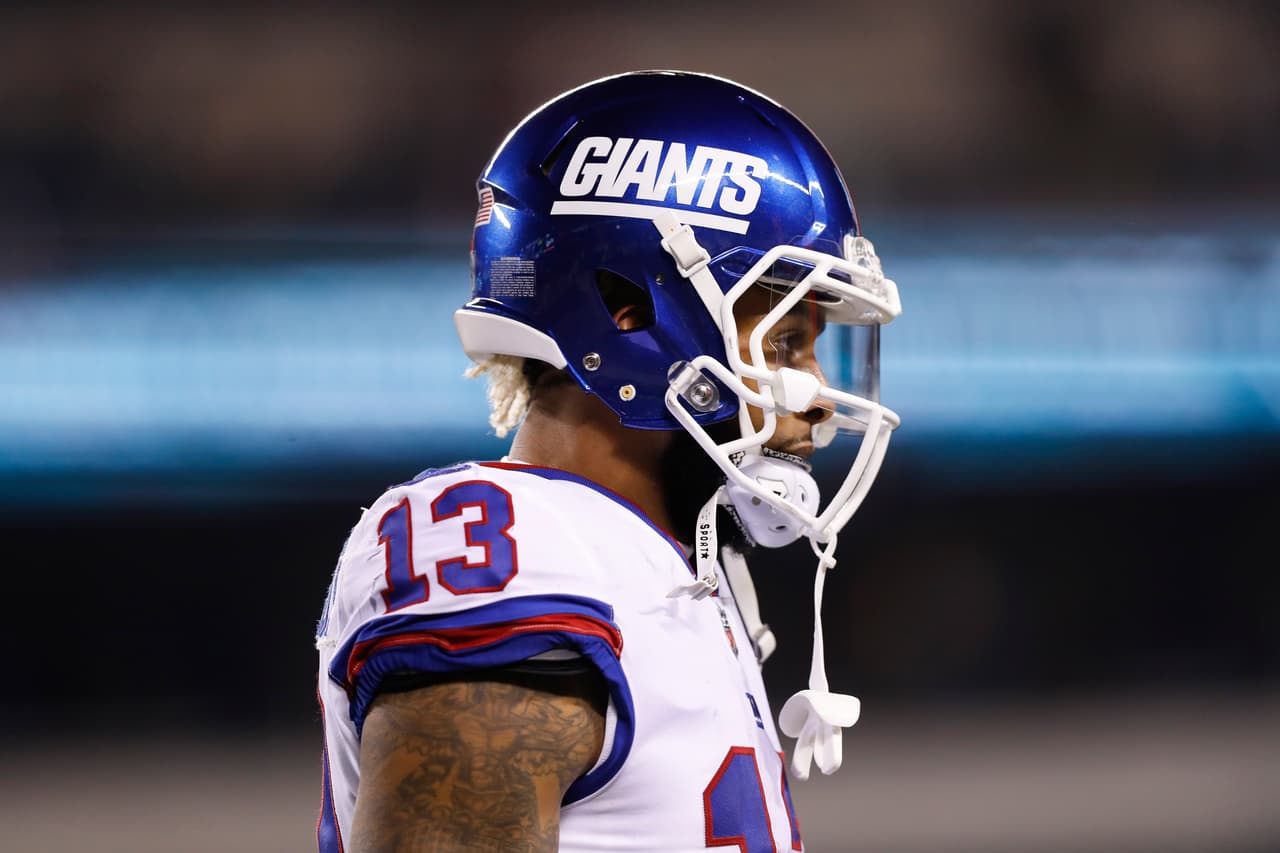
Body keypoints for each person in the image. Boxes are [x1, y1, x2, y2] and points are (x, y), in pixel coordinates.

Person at [315, 70, 902, 852]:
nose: (821, 397)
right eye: (786, 341)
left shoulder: (664, 574)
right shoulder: (524, 555)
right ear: (632, 313)